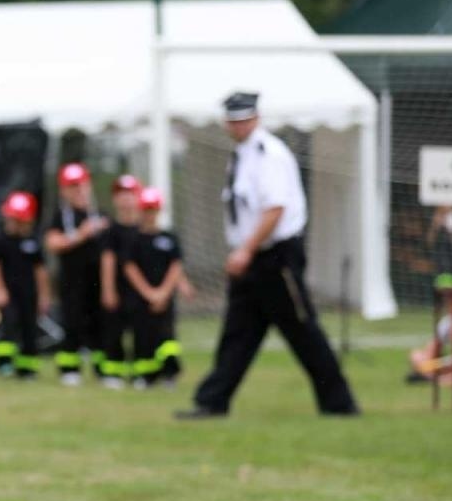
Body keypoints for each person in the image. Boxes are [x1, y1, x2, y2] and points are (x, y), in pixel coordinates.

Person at [179, 92, 358, 418]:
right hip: (251, 259)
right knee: (238, 333)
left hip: (275, 259)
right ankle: (212, 401)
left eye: (243, 119)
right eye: (232, 121)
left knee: (303, 331)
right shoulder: (242, 156)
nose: (237, 126)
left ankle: (339, 404)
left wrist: (245, 250)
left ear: (255, 119)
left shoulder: (269, 154)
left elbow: (275, 209)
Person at [44, 163, 108, 385]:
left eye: (81, 185)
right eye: (72, 186)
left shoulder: (100, 214)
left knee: (101, 324)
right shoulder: (61, 216)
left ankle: (104, 370)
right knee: (72, 323)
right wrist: (81, 235)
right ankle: (70, 369)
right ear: (63, 190)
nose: (78, 190)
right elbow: (52, 243)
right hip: (72, 282)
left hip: (99, 282)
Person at [123, 186, 185, 388]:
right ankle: (145, 376)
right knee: (143, 336)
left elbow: (176, 266)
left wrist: (163, 293)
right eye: (146, 209)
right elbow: (130, 268)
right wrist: (149, 294)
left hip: (165, 299)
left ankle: (169, 374)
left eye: (153, 209)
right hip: (141, 299)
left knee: (166, 338)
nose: (150, 214)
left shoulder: (169, 238)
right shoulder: (134, 240)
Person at [0, 191, 49, 379]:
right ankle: (3, 364)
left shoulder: (33, 241)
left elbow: (40, 270)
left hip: (29, 293)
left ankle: (27, 368)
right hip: (8, 293)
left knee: (29, 329)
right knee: (9, 326)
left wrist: (44, 295)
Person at [97, 174, 142, 389]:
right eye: (121, 195)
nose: (125, 199)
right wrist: (108, 289)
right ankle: (112, 372)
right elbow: (108, 260)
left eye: (130, 194)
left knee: (141, 332)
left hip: (141, 290)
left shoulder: (144, 229)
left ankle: (141, 373)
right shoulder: (111, 232)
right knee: (114, 330)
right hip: (118, 288)